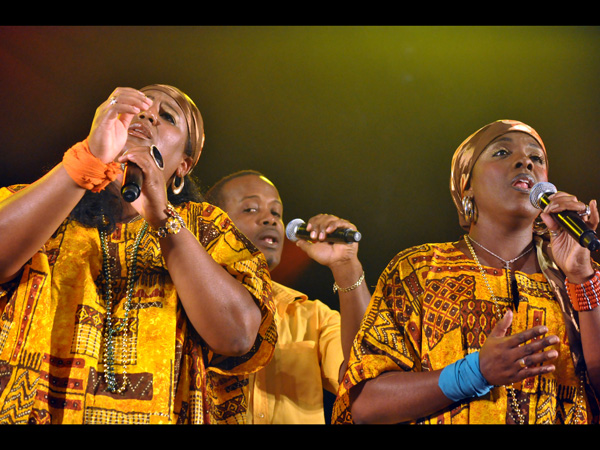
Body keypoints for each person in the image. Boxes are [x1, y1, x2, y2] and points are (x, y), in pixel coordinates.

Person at [0, 85, 275, 424]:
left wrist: (162, 218)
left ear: (183, 166)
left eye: (168, 115)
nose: (147, 114)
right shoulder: (44, 205)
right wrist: (87, 160)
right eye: (140, 105)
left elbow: (236, 335)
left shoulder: (205, 229)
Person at [332, 119, 600, 424]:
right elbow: (366, 404)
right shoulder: (419, 270)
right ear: (466, 186)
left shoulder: (582, 275)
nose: (525, 161)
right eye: (501, 153)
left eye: (536, 158)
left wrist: (581, 276)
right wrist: (475, 372)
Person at [205, 170, 371, 424]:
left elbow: (367, 374)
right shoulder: (185, 304)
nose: (269, 220)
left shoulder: (312, 317)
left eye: (276, 213)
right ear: (211, 225)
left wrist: (346, 266)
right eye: (250, 209)